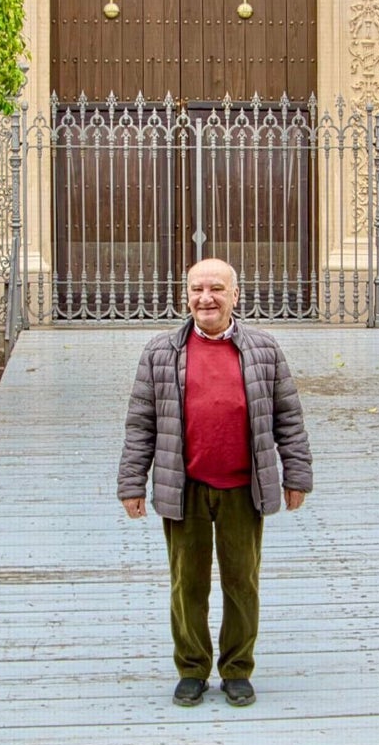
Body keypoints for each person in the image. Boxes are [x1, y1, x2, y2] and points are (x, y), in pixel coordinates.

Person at [118, 258, 313, 708]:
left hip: (244, 488)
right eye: (197, 289)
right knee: (187, 584)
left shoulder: (264, 349)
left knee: (241, 583)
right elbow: (140, 424)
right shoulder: (160, 352)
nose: (206, 298)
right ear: (185, 295)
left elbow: (288, 418)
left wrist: (296, 473)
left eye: (217, 289)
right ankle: (191, 669)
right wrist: (132, 482)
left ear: (235, 295)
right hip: (183, 485)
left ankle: (237, 669)